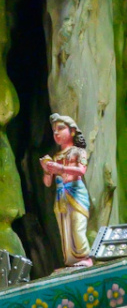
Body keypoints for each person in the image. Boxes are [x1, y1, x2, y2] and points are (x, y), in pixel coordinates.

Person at [40, 114, 92, 267]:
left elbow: (81, 171)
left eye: (61, 128)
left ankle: (85, 257)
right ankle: (71, 261)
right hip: (61, 196)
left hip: (76, 194)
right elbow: (48, 183)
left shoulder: (78, 152)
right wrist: (47, 170)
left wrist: (61, 168)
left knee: (77, 226)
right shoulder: (55, 157)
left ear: (72, 131)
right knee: (65, 230)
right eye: (54, 130)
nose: (56, 133)